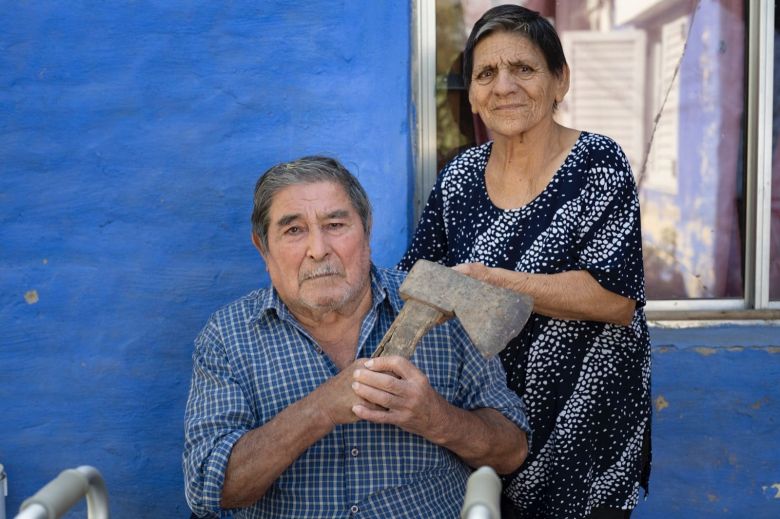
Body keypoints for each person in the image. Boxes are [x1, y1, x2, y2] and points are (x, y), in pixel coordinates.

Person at [398, 5, 651, 519]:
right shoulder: (460, 177)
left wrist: (488, 281)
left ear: (560, 81)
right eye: (486, 73)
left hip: (589, 439)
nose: (504, 86)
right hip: (486, 434)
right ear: (471, 93)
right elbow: (416, 279)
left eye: (525, 69)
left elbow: (617, 299)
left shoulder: (598, 164)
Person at [183, 155, 531, 518]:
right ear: (263, 249)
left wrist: (435, 417)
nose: (318, 250)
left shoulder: (445, 312)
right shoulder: (227, 337)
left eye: (335, 224)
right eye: (293, 231)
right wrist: (319, 409)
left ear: (366, 231)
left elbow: (510, 452)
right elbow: (212, 487)